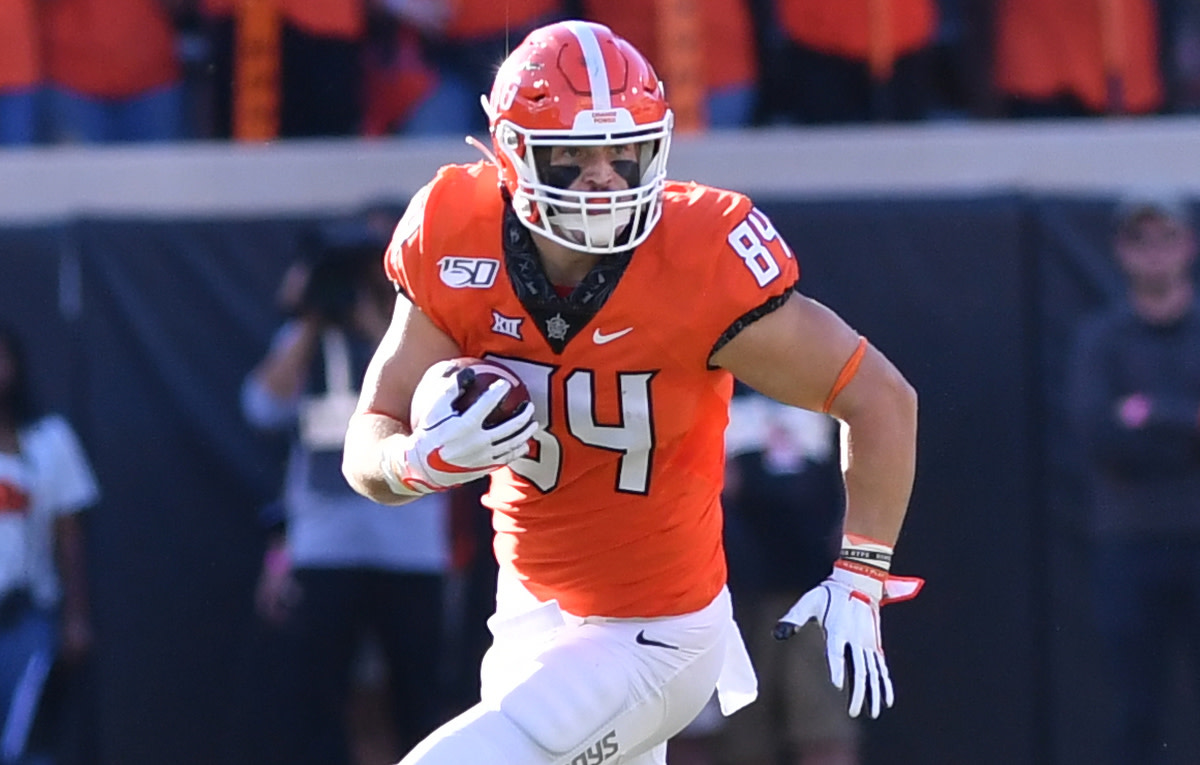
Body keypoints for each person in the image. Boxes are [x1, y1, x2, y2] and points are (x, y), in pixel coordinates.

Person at [341, 20, 921, 765]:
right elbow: (370, 438)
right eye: (573, 159)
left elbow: (880, 398)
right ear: (514, 154)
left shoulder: (700, 253)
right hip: (527, 616)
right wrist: (415, 462)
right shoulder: (455, 230)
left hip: (659, 633)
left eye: (624, 154)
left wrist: (862, 573)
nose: (605, 179)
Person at [240, 222, 454, 765]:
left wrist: (376, 325)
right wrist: (311, 319)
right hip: (325, 544)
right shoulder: (306, 338)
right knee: (318, 695)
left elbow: (440, 406)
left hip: (408, 545)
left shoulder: (414, 336)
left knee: (417, 696)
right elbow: (262, 407)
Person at [1065, 190, 1200, 765]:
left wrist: (1150, 413)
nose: (1155, 254)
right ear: (1120, 251)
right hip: (1129, 546)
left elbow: (1128, 429)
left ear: (1188, 245)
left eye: (1166, 237)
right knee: (1135, 707)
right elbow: (1100, 437)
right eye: (1140, 240)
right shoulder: (1101, 340)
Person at [718, 385, 860, 765]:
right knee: (744, 737)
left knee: (822, 726)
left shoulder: (830, 384)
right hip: (735, 594)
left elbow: (858, 478)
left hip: (816, 589)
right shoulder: (715, 386)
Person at [0, 323, 98, 765]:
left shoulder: (49, 440)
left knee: (26, 743)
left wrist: (76, 616)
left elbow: (70, 533)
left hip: (26, 618)